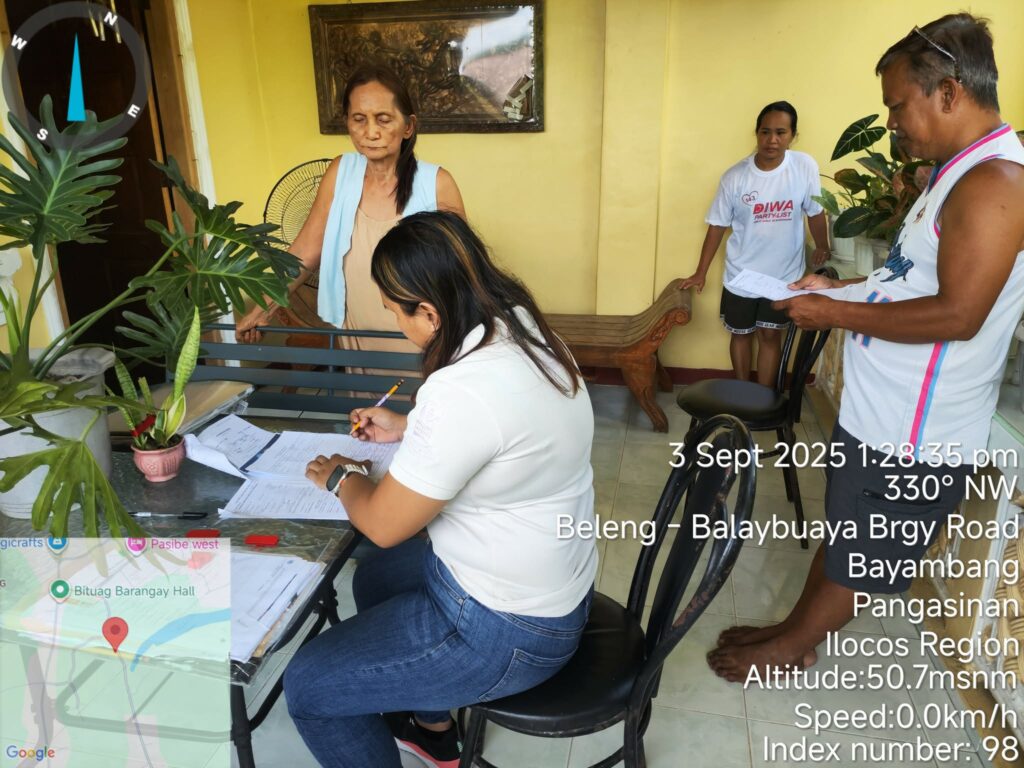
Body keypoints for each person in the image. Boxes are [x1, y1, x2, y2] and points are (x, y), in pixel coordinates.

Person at [708, 13, 1024, 682]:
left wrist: (829, 311)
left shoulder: (996, 184)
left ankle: (790, 649)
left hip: (916, 431)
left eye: (897, 106)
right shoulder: (954, 174)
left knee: (865, 553)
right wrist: (839, 287)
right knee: (849, 535)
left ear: (948, 92)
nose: (891, 123)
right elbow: (908, 279)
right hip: (883, 414)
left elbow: (960, 313)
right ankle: (794, 630)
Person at [283, 212, 598, 768]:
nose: (395, 322)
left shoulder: (462, 389)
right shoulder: (523, 328)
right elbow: (504, 433)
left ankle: (419, 706)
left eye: (394, 311)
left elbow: (382, 525)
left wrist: (341, 476)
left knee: (309, 686)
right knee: (377, 579)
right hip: (546, 584)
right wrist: (410, 428)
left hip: (509, 629)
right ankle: (433, 728)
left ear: (429, 312)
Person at [236, 64, 466, 346]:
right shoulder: (339, 173)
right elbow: (305, 251)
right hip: (355, 333)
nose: (371, 132)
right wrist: (263, 308)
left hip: (422, 338)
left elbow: (461, 270)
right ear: (347, 122)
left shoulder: (437, 183)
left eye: (383, 119)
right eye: (359, 119)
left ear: (408, 126)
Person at [681, 102, 831, 385]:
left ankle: (763, 397)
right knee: (741, 334)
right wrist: (700, 272)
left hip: (782, 275)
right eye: (765, 132)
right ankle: (743, 394)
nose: (772, 140)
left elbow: (815, 211)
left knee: (770, 335)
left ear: (793, 135)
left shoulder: (804, 166)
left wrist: (823, 246)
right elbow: (717, 226)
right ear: (757, 133)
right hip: (742, 274)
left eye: (780, 132)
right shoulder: (735, 177)